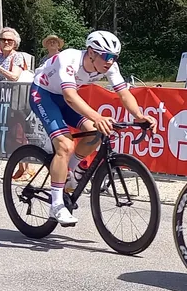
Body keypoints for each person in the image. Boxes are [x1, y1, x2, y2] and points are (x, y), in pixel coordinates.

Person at [28, 30, 158, 226]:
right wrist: (97, 117)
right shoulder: (69, 58)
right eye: (106, 56)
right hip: (43, 95)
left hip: (64, 98)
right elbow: (71, 96)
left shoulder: (109, 67)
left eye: (114, 57)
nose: (110, 61)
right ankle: (56, 205)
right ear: (91, 52)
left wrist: (139, 116)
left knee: (96, 133)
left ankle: (70, 173)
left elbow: (124, 93)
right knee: (64, 145)